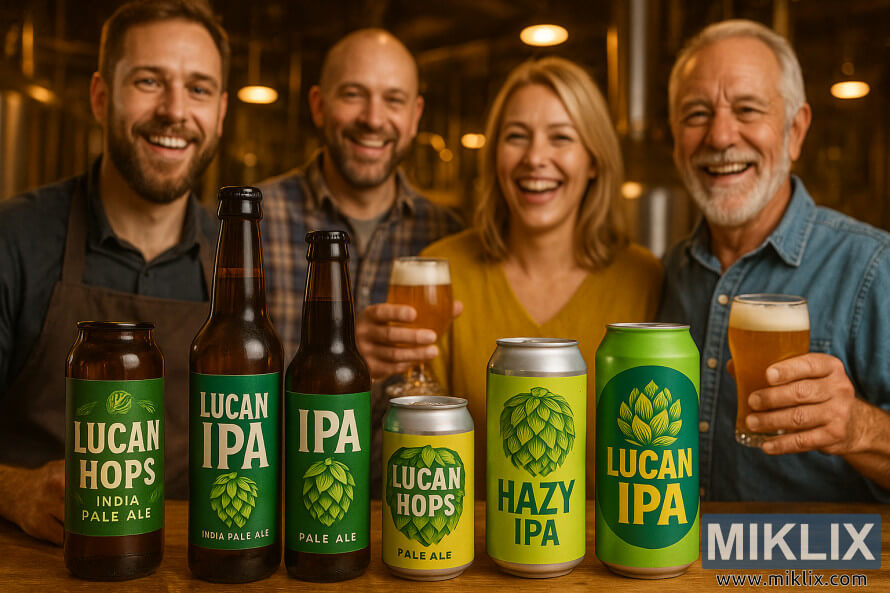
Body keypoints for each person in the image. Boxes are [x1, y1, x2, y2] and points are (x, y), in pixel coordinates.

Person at [359, 57, 662, 498]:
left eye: (561, 138)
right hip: (470, 551)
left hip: (606, 552)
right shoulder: (440, 271)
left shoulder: (643, 277)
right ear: (494, 156)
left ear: (594, 160)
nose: (535, 158)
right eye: (516, 137)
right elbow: (410, 444)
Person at [0, 0, 229, 543]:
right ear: (101, 96)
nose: (175, 110)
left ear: (220, 112)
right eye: (149, 81)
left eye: (198, 89)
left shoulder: (240, 263)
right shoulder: (14, 239)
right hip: (41, 560)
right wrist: (13, 490)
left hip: (201, 562)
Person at [659, 19, 890, 501]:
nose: (721, 137)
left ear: (796, 130)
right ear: (675, 137)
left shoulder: (872, 266)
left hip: (813, 572)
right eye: (696, 114)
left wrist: (859, 428)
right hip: (681, 571)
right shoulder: (666, 271)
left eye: (747, 109)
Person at [257, 29, 462, 493]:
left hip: (413, 510)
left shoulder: (448, 236)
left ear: (414, 117)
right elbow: (224, 409)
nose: (373, 119)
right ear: (318, 105)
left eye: (393, 100)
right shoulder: (250, 228)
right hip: (289, 517)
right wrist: (338, 367)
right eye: (353, 95)